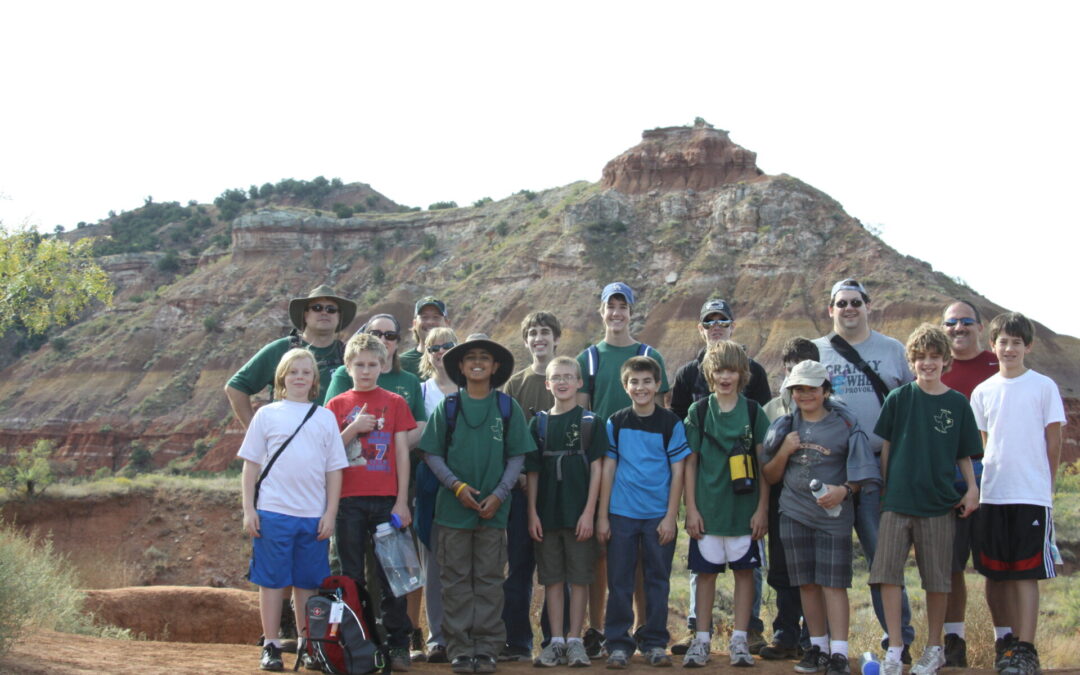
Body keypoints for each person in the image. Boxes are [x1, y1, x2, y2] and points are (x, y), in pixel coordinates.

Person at [418, 335, 536, 674]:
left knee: (488, 579)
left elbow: (517, 456)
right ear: (460, 366)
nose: (478, 362)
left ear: (496, 366)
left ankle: (485, 648)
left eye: (485, 357)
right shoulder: (449, 406)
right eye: (470, 357)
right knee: (455, 581)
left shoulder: (506, 407)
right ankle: (459, 648)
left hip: (494, 510)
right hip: (453, 510)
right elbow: (431, 453)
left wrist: (500, 493)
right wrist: (456, 487)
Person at [812, 278, 915, 659]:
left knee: (882, 559)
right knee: (823, 563)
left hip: (878, 468)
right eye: (842, 303)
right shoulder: (817, 351)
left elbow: (913, 404)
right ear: (831, 309)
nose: (849, 309)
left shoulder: (892, 350)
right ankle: (822, 645)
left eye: (856, 302)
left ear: (868, 306)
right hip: (829, 468)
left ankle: (898, 641)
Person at [870, 324, 981, 675]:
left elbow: (965, 454)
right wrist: (887, 489)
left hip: (938, 504)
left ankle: (935, 649)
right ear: (912, 361)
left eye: (934, 357)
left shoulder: (957, 403)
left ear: (945, 360)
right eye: (920, 358)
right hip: (898, 502)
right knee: (886, 575)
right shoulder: (899, 398)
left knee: (937, 580)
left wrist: (972, 489)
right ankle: (896, 648)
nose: (927, 364)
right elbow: (886, 448)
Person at [761, 360, 881, 675]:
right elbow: (770, 476)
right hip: (793, 514)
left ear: (825, 391)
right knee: (807, 584)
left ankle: (839, 652)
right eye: (799, 388)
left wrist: (844, 491)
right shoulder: (784, 427)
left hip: (833, 516)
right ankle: (818, 648)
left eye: (812, 388)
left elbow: (861, 474)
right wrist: (785, 450)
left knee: (833, 585)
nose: (805, 394)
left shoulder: (845, 425)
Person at [669, 299, 772, 657]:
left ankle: (742, 639)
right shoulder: (697, 411)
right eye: (719, 372)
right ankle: (701, 639)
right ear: (709, 375)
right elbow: (689, 463)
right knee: (705, 574)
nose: (725, 377)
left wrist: (763, 510)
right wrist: (689, 509)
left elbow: (763, 466)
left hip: (744, 511)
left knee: (746, 574)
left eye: (732, 371)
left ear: (743, 374)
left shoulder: (754, 412)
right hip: (708, 509)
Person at [576, 282, 671, 659]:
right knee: (605, 552)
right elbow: (584, 419)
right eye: (610, 306)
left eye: (623, 306)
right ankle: (599, 630)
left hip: (645, 474)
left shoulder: (649, 355)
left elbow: (663, 418)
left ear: (632, 311)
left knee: (644, 559)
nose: (616, 313)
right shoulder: (590, 358)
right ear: (601, 311)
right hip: (604, 465)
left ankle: (646, 632)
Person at [325, 313, 427, 658]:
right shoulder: (336, 405)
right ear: (348, 367)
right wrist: (353, 428)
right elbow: (327, 454)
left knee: (392, 574)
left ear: (383, 366)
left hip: (386, 501)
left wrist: (401, 502)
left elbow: (401, 453)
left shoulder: (395, 402)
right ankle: (356, 641)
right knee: (350, 575)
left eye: (372, 364)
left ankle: (397, 643)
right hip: (347, 502)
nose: (366, 370)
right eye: (359, 364)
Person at [238, 348, 347, 671]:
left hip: (312, 515)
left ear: (315, 379)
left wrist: (330, 513)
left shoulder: (325, 417)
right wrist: (249, 509)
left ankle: (307, 644)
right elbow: (250, 466)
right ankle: (270, 644)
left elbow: (334, 470)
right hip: (273, 512)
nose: (300, 377)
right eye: (293, 371)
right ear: (282, 377)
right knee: (272, 581)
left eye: (306, 372)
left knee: (306, 582)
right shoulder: (267, 415)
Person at [970, 313, 1066, 675]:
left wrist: (1046, 486)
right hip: (994, 495)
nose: (1009, 348)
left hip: (1030, 495)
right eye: (1002, 342)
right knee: (995, 573)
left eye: (1016, 342)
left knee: (1025, 574)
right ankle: (1005, 641)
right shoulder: (983, 391)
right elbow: (984, 445)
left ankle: (1026, 649)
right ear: (992, 346)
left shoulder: (1044, 387)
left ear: (1028, 346)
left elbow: (1053, 442)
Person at [596, 356, 689, 669]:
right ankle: (619, 644)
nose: (641, 387)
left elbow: (678, 472)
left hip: (656, 515)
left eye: (647, 381)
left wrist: (670, 516)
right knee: (619, 581)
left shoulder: (670, 423)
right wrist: (603, 515)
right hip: (621, 513)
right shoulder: (617, 421)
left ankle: (654, 642)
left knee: (657, 581)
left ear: (657, 384)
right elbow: (608, 468)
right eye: (634, 382)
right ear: (626, 386)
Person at [526, 356, 605, 668]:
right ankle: (555, 641)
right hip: (547, 514)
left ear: (579, 382)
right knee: (552, 579)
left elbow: (598, 470)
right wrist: (532, 512)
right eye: (556, 377)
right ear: (547, 383)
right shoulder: (539, 424)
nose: (562, 382)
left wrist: (590, 513)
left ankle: (575, 639)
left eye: (568, 377)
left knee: (581, 577)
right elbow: (532, 472)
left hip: (578, 514)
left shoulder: (590, 422)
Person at [938, 301, 999, 667]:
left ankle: (1006, 642)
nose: (958, 328)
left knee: (998, 567)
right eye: (951, 323)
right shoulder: (935, 368)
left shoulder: (999, 363)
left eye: (965, 322)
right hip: (950, 480)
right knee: (951, 566)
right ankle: (954, 643)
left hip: (996, 477)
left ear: (980, 326)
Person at [501, 312, 562, 661]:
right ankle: (517, 641)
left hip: (560, 491)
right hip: (521, 491)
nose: (539, 338)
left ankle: (554, 639)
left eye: (545, 333)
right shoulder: (515, 384)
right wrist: (520, 478)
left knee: (556, 568)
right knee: (519, 567)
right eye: (533, 333)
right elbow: (509, 439)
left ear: (556, 338)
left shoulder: (569, 379)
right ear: (526, 341)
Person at [758, 337, 821, 662]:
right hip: (782, 501)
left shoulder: (834, 413)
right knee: (782, 569)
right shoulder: (771, 411)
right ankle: (785, 634)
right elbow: (764, 468)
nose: (796, 380)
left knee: (816, 571)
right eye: (790, 371)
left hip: (820, 504)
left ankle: (815, 639)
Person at [226, 285, 357, 426]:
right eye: (317, 308)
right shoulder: (282, 349)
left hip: (335, 441)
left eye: (331, 309)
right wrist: (255, 432)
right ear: (305, 314)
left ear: (339, 317)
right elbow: (236, 387)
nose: (324, 313)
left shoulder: (349, 354)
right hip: (288, 440)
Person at [414, 327, 460, 664]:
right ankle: (438, 637)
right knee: (432, 563)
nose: (441, 352)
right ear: (426, 353)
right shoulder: (420, 391)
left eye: (447, 346)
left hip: (470, 483)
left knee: (465, 562)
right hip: (430, 485)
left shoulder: (473, 389)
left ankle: (465, 634)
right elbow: (414, 436)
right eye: (434, 348)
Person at [400, 296, 452, 378]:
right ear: (414, 323)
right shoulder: (402, 363)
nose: (430, 322)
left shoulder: (458, 359)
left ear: (447, 323)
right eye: (424, 317)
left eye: (436, 317)